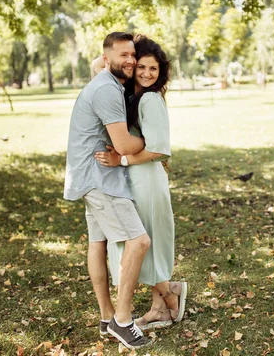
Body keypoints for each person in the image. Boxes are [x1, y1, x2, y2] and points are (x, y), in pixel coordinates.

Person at [63, 32, 151, 350]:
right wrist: (151, 141)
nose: (129, 61)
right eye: (122, 55)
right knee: (139, 241)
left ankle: (105, 316)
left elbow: (97, 63)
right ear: (107, 57)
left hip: (87, 174)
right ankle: (122, 320)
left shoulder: (103, 79)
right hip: (100, 178)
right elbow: (126, 145)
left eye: (132, 55)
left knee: (97, 243)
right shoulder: (107, 90)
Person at [94, 36, 188, 331]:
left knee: (144, 244)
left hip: (146, 180)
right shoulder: (129, 96)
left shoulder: (150, 99)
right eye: (142, 67)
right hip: (133, 181)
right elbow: (99, 64)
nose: (147, 73)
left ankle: (170, 299)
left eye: (154, 69)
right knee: (144, 244)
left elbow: (159, 149)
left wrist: (122, 161)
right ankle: (162, 305)